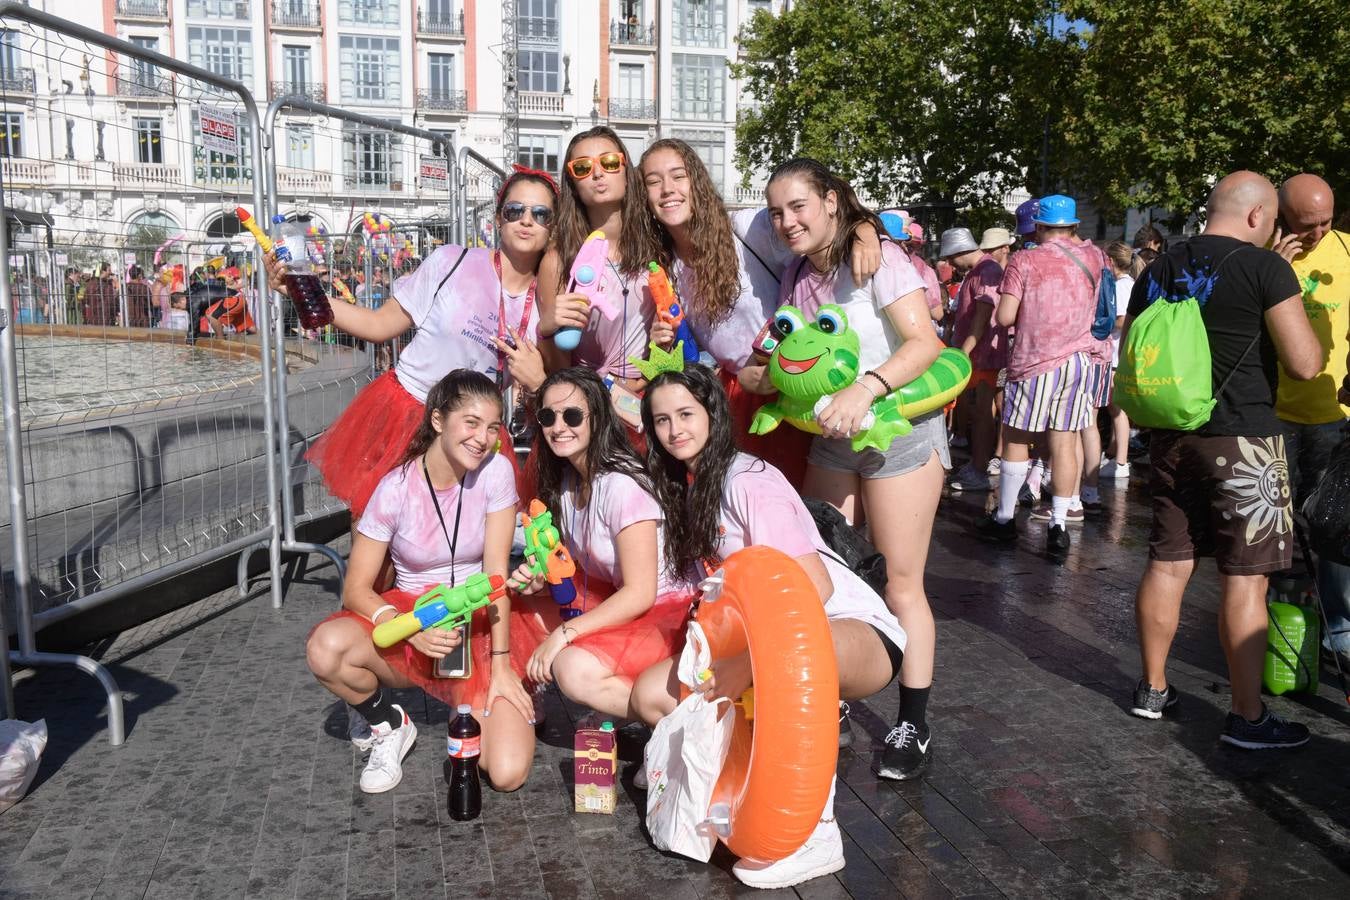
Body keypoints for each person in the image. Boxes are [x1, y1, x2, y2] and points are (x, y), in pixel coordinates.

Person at [630, 365, 906, 889]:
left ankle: (819, 835)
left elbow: (813, 590)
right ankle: (722, 783)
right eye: (662, 420)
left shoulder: (749, 481)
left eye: (686, 414)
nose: (674, 430)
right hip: (764, 644)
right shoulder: (689, 485)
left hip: (846, 631)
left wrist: (748, 664)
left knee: (785, 675)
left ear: (713, 413)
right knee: (651, 694)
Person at [1126, 171, 1322, 748]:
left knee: (1168, 563)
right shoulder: (1266, 269)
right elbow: (1305, 364)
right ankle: (1246, 716)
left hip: (1170, 436)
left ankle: (1152, 690)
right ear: (1259, 215)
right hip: (1244, 442)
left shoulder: (1158, 268)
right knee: (1246, 579)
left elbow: (1133, 348)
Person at [766, 158, 946, 780]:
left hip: (900, 430)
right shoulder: (796, 273)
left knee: (901, 583)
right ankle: (833, 697)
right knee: (822, 574)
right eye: (777, 212)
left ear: (831, 202)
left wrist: (867, 386)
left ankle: (913, 723)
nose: (787, 221)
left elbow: (926, 344)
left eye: (798, 206)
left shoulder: (879, 258)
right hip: (832, 438)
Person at [266, 165, 557, 517]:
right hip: (405, 414)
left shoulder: (549, 304)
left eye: (540, 214)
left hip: (475, 432)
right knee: (379, 535)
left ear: (553, 227)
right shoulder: (452, 260)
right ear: (499, 218)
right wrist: (299, 291)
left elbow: (548, 389)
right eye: (515, 210)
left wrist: (536, 380)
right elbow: (378, 325)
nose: (526, 220)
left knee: (463, 541)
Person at [305, 371, 539, 793]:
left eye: (492, 427)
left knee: (506, 773)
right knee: (327, 648)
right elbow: (355, 589)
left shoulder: (496, 471)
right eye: (471, 423)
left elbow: (495, 575)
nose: (483, 438)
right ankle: (389, 723)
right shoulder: (394, 489)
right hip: (413, 617)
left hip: (476, 620)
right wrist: (409, 627)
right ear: (437, 420)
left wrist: (503, 666)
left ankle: (472, 699)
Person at [638, 138, 881, 485]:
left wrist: (864, 230)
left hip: (798, 387)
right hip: (737, 400)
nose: (667, 189)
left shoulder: (749, 228)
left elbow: (824, 216)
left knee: (804, 504)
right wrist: (664, 342)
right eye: (653, 181)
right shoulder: (663, 264)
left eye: (678, 176)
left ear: (698, 182)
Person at [510, 367, 692, 719]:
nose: (558, 427)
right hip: (616, 596)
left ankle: (676, 716)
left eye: (572, 416)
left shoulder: (622, 485)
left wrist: (564, 634)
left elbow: (641, 593)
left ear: (598, 417)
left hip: (668, 613)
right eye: (547, 417)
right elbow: (581, 570)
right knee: (523, 608)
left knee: (572, 670)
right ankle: (632, 705)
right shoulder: (568, 481)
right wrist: (540, 582)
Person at [976, 194, 1108, 557]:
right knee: (1065, 442)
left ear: (1038, 227)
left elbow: (1004, 316)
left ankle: (1005, 519)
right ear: (1074, 225)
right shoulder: (1095, 257)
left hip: (1034, 362)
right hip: (1079, 361)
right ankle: (1059, 526)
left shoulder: (1025, 260)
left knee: (1016, 438)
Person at [1271, 173, 1350, 671]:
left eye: (1326, 222)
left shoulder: (1347, 252)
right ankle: (1273, 620)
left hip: (1333, 415)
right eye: (1306, 224)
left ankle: (1340, 630)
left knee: (1336, 527)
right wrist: (1273, 269)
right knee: (1273, 525)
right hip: (1273, 412)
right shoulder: (1264, 255)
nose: (1318, 233)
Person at [537, 126, 660, 397]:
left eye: (610, 162)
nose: (598, 173)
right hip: (589, 402)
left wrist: (646, 376)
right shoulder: (558, 261)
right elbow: (558, 367)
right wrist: (546, 329)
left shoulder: (656, 248)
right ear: (573, 185)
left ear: (627, 173)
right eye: (582, 167)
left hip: (649, 401)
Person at [942, 227, 1007, 492]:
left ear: (960, 251)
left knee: (982, 413)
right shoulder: (979, 271)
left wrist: (965, 350)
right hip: (978, 353)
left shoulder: (987, 270)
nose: (950, 264)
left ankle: (979, 468)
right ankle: (977, 464)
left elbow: (982, 315)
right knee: (980, 411)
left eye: (951, 258)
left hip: (983, 354)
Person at [1100, 241, 1144, 480]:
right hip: (1119, 353)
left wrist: (1099, 324)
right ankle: (1114, 453)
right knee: (1115, 408)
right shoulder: (1127, 284)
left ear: (1112, 262)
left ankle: (1120, 461)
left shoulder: (1121, 286)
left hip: (1115, 353)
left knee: (1116, 410)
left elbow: (1121, 319)